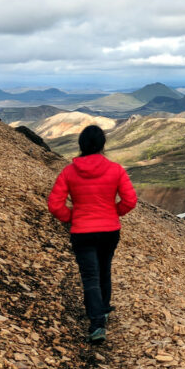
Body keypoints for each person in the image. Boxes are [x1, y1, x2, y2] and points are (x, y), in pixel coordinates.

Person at [47, 124, 137, 344]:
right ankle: (102, 310)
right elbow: (130, 201)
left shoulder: (69, 171)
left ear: (81, 145)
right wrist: (113, 213)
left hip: (82, 232)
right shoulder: (116, 170)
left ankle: (97, 322)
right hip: (109, 231)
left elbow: (54, 205)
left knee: (90, 276)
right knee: (104, 269)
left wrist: (72, 216)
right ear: (102, 145)